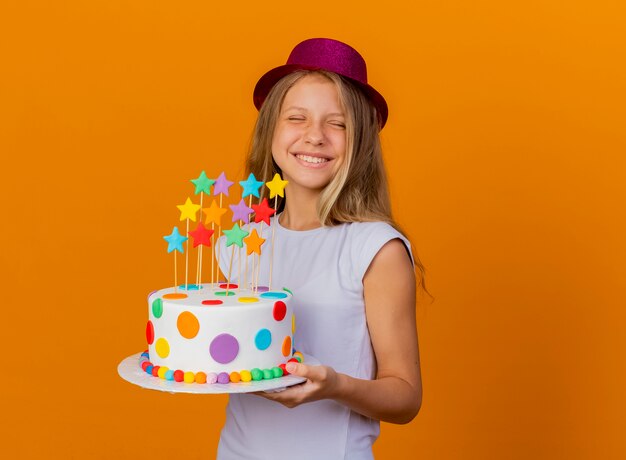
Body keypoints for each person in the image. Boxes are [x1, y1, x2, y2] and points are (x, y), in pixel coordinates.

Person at [217, 38, 424, 460]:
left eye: (338, 123)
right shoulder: (238, 245)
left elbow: (406, 398)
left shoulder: (374, 249)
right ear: (270, 130)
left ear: (360, 141)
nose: (314, 137)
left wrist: (335, 386)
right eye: (297, 118)